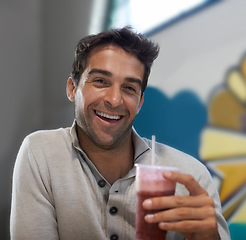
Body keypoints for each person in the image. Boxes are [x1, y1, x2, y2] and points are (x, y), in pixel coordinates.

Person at [10, 26, 230, 240]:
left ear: (140, 102)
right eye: (100, 81)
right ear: (72, 88)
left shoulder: (192, 176)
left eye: (129, 88)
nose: (114, 100)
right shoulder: (40, 153)